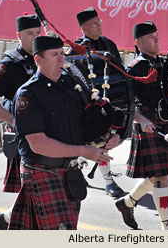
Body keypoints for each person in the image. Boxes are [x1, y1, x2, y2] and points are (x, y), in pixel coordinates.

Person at [8, 34, 120, 230]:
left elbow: (84, 125)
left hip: (68, 173)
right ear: (38, 59)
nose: (62, 59)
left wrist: (106, 136)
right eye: (54, 55)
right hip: (42, 172)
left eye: (62, 53)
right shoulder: (28, 94)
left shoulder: (71, 86)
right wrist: (84, 151)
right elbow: (38, 143)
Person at [115, 21, 168, 230]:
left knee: (159, 176)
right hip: (148, 125)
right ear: (138, 42)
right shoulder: (134, 69)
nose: (157, 39)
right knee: (161, 178)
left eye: (157, 35)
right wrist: (142, 121)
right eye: (151, 36)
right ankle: (166, 225)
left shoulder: (167, 66)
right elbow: (125, 103)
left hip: (166, 124)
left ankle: (128, 202)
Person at [0, 14, 41, 230]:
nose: (35, 38)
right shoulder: (10, 63)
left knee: (39, 188)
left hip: (48, 132)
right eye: (29, 34)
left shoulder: (45, 58)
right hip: (24, 135)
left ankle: (8, 218)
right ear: (18, 36)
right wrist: (13, 121)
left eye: (38, 33)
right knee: (36, 188)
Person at [68, 7, 124, 197]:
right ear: (84, 28)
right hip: (88, 104)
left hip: (110, 98)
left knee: (101, 141)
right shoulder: (76, 48)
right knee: (99, 140)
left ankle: (79, 167)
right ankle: (108, 182)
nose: (99, 26)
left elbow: (119, 70)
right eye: (94, 23)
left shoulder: (109, 44)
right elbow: (71, 75)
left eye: (99, 22)